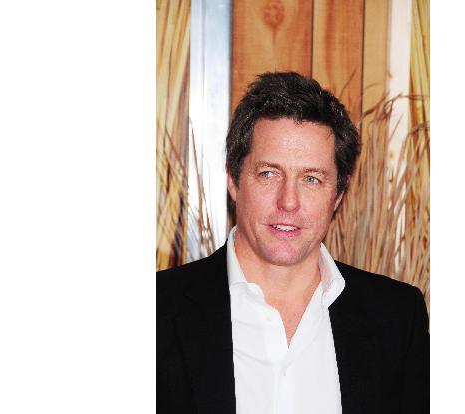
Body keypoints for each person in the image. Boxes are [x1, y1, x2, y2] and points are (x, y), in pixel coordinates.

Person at [157, 72, 429, 414]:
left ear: (337, 195)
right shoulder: (156, 310)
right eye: (269, 174)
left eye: (311, 179)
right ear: (233, 181)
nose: (288, 202)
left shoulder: (397, 318)